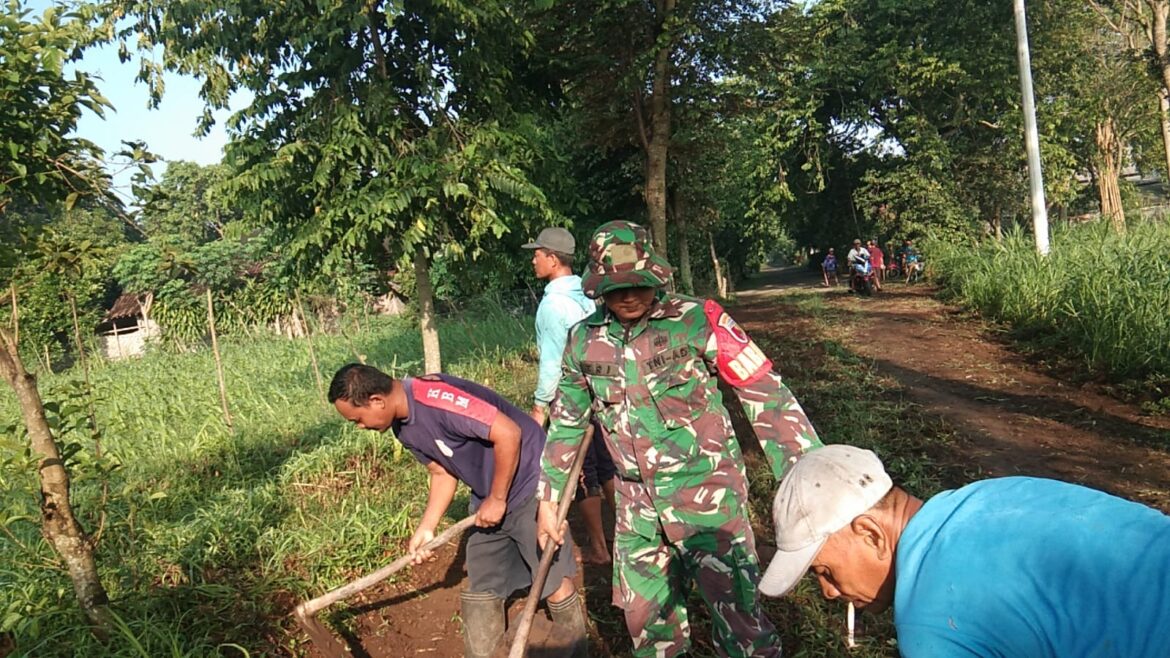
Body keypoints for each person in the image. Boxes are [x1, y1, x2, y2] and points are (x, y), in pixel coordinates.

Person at [536, 221, 824, 658]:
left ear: (656, 276)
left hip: (708, 498)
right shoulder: (583, 341)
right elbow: (567, 424)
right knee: (647, 627)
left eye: (638, 284)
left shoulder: (698, 320)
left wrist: (814, 479)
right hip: (635, 509)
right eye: (615, 289)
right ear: (597, 287)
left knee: (740, 621)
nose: (628, 296)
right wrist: (549, 499)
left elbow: (763, 392)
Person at [760, 445, 1170, 658]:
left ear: (871, 534)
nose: (830, 592)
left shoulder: (934, 624)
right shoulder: (991, 493)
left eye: (824, 571)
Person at [328, 364, 588, 658]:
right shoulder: (402, 427)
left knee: (550, 577)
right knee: (482, 584)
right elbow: (441, 473)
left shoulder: (435, 399)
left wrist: (498, 498)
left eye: (357, 420)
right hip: (488, 493)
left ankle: (578, 651)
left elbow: (509, 433)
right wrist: (427, 527)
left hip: (531, 480)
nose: (360, 427)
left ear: (377, 401)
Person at [523, 227, 617, 565]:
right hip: (604, 392)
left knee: (582, 472)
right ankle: (622, 536)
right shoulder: (589, 293)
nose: (533, 259)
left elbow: (551, 365)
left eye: (537, 254)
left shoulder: (552, 305)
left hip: (572, 397)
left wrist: (539, 407)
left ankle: (599, 547)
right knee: (607, 465)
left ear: (552, 258)